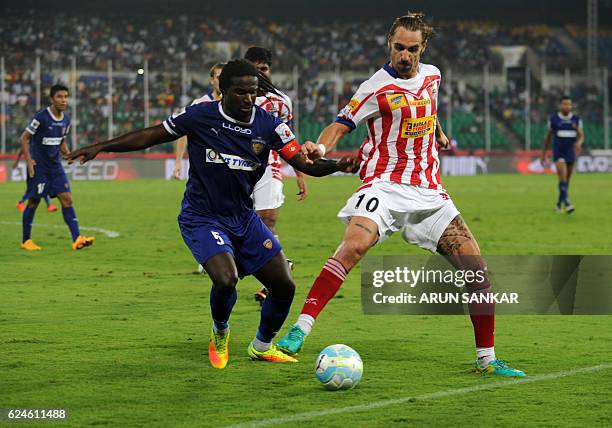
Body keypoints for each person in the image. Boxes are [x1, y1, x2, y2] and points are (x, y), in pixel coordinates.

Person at [276, 13, 525, 377]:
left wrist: (437, 133)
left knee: (477, 273)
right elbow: (341, 123)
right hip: (384, 185)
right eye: (398, 48)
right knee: (353, 247)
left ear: (422, 48)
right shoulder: (375, 88)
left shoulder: (433, 75)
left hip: (429, 191)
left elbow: (427, 104)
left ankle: (487, 360)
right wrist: (320, 145)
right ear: (388, 44)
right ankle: (300, 329)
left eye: (411, 49)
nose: (404, 55)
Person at [66, 59, 358, 369]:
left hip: (244, 219)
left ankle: (261, 346)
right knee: (225, 279)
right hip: (202, 217)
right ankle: (220, 332)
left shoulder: (270, 125)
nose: (248, 99)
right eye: (240, 92)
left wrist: (339, 165)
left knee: (284, 285)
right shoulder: (200, 116)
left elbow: (304, 163)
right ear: (223, 90)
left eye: (253, 92)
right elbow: (151, 135)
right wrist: (102, 146)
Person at [244, 46, 308, 304]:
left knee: (268, 219)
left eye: (264, 69)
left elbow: (286, 140)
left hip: (268, 163)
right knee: (243, 225)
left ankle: (277, 276)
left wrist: (300, 172)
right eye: (255, 69)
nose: (260, 74)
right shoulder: (235, 98)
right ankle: (280, 266)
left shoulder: (282, 101)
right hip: (237, 167)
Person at [20, 84, 95, 251]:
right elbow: (24, 138)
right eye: (60, 97)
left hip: (55, 167)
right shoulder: (41, 117)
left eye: (66, 97)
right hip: (39, 167)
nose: (64, 100)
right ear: (52, 99)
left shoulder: (66, 120)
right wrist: (29, 161)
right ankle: (26, 240)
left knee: (67, 199)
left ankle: (77, 239)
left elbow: (61, 141)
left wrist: (69, 155)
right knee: (34, 201)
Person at [173, 63, 225, 180]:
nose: (222, 81)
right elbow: (184, 133)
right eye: (218, 77)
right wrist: (178, 162)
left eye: (225, 77)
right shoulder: (200, 104)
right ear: (212, 80)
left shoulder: (236, 107)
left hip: (228, 169)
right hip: (203, 170)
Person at [541, 95, 584, 214]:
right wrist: (543, 154)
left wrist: (579, 143)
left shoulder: (576, 119)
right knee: (563, 176)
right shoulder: (554, 119)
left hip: (571, 153)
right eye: (565, 104)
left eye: (569, 104)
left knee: (566, 182)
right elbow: (548, 137)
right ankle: (568, 203)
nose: (567, 106)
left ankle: (559, 204)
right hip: (558, 152)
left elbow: (581, 136)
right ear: (561, 105)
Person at [14, 148, 57, 213]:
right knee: (35, 187)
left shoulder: (36, 142)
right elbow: (22, 151)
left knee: (42, 186)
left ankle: (49, 205)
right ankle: (20, 203)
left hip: (39, 166)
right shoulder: (30, 142)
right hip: (33, 167)